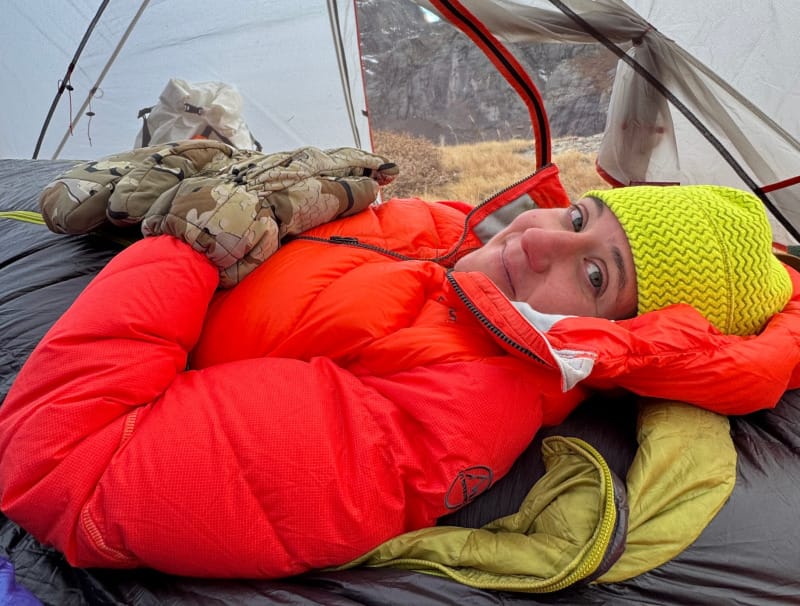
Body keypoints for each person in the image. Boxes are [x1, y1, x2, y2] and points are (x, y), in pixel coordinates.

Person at [0, 141, 798, 580]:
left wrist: (188, 246)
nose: (542, 237)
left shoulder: (457, 404)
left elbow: (68, 475)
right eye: (579, 215)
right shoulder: (442, 228)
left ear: (614, 339)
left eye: (595, 275)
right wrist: (258, 182)